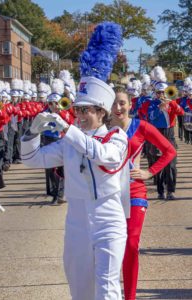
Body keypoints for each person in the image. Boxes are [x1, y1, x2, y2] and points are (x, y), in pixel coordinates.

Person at [21, 22, 130, 300]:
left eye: (86, 110)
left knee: (107, 289)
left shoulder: (116, 136)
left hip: (108, 219)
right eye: (78, 110)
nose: (79, 115)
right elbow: (32, 159)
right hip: (76, 221)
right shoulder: (70, 141)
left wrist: (67, 130)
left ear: (102, 112)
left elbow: (104, 156)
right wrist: (32, 132)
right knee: (81, 290)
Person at [111, 86, 177, 300]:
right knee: (107, 247)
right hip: (108, 195)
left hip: (134, 190)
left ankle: (129, 296)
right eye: (113, 103)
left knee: (131, 244)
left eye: (122, 103)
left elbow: (169, 150)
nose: (118, 107)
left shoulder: (141, 126)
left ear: (131, 105)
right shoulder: (102, 129)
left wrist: (150, 172)